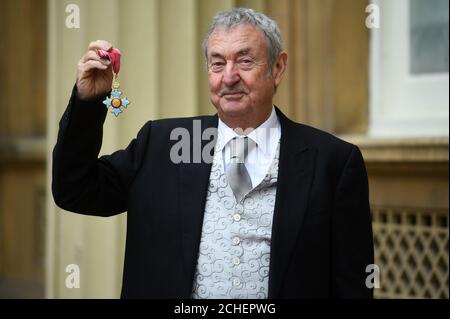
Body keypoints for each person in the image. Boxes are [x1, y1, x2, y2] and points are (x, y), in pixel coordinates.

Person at [52, 8, 374, 298]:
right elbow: (74, 190)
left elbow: (352, 286)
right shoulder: (163, 144)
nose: (229, 77)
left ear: (277, 68)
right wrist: (88, 102)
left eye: (245, 61)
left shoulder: (333, 162)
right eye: (217, 63)